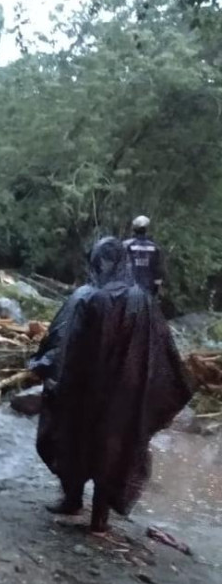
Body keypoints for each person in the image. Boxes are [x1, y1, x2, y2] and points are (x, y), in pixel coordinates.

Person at [29, 237, 192, 534]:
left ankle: (73, 499)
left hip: (84, 390)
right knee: (112, 449)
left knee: (74, 441)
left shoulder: (86, 297)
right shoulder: (141, 300)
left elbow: (62, 342)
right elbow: (161, 350)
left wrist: (48, 372)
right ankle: (98, 518)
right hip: (124, 394)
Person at [123, 215, 165, 296]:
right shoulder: (154, 247)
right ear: (146, 230)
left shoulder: (125, 245)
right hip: (148, 290)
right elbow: (158, 270)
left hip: (128, 289)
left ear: (134, 229)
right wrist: (158, 286)